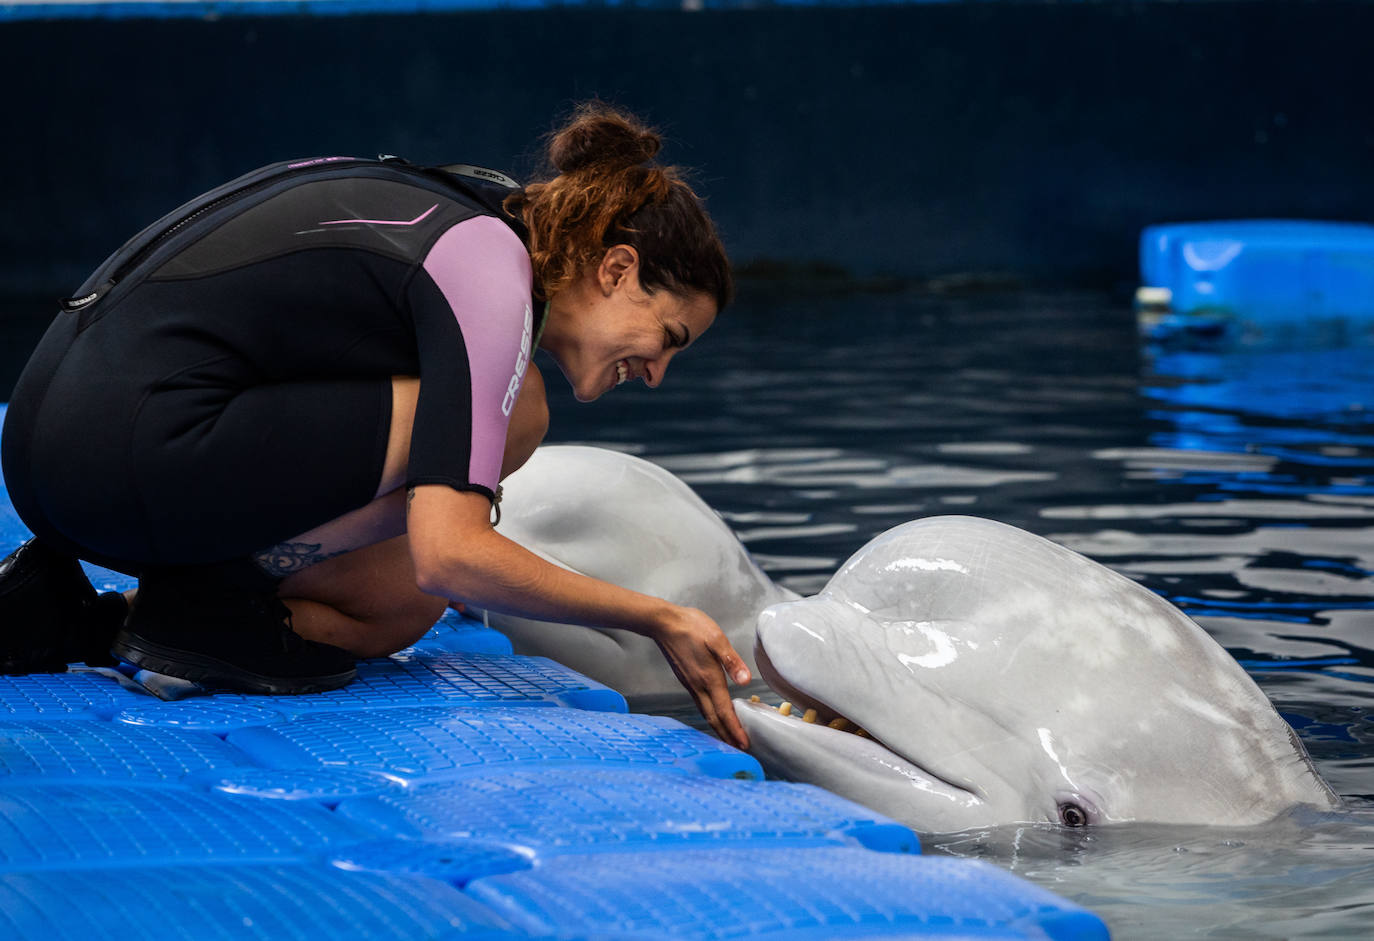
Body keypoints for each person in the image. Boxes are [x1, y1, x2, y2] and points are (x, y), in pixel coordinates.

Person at [0, 102, 751, 748]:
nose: (656, 372)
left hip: (54, 449)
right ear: (617, 269)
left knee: (399, 602)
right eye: (668, 338)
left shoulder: (471, 212)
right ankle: (210, 601)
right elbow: (450, 554)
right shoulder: (491, 267)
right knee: (515, 420)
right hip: (111, 450)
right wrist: (656, 616)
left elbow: (423, 574)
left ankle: (75, 617)